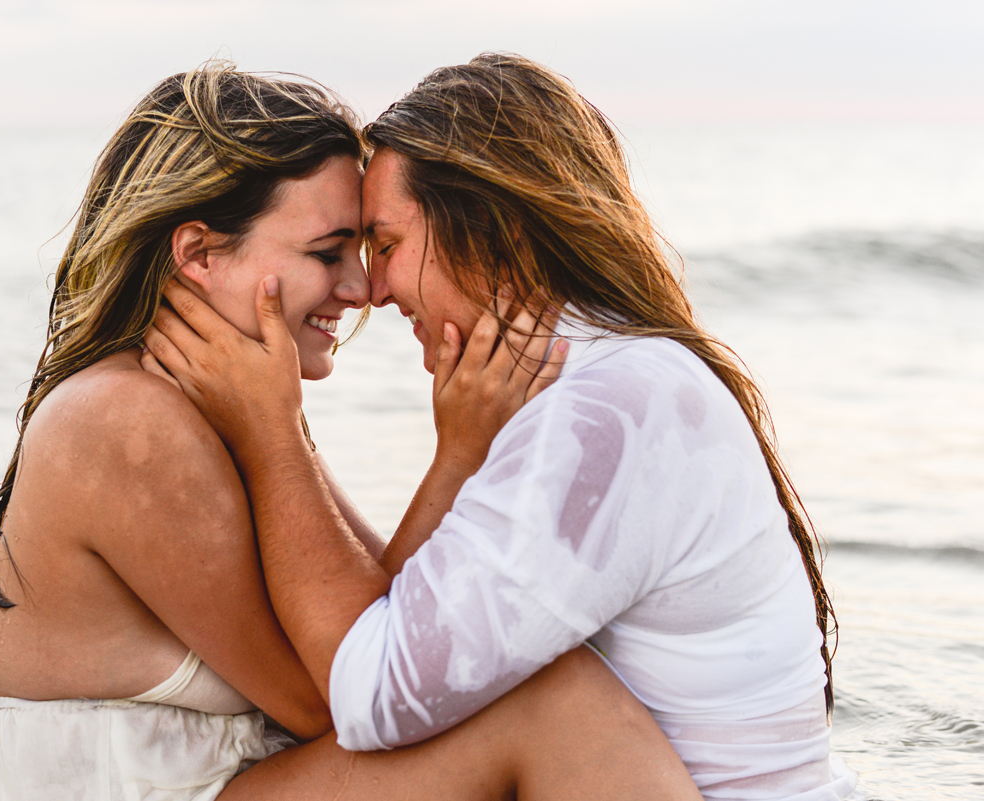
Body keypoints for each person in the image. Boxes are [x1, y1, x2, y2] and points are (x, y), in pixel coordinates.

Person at [0, 62, 699, 801]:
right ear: (200, 253)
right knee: (550, 703)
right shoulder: (125, 421)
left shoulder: (224, 407)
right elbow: (347, 699)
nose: (362, 287)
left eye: (367, 250)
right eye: (326, 252)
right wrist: (460, 456)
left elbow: (389, 626)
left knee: (529, 669)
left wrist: (285, 433)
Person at [143, 53, 859, 800]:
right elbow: (402, 621)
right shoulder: (609, 380)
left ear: (488, 230)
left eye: (386, 244)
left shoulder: (601, 416)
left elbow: (368, 692)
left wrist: (273, 437)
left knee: (548, 695)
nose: (374, 291)